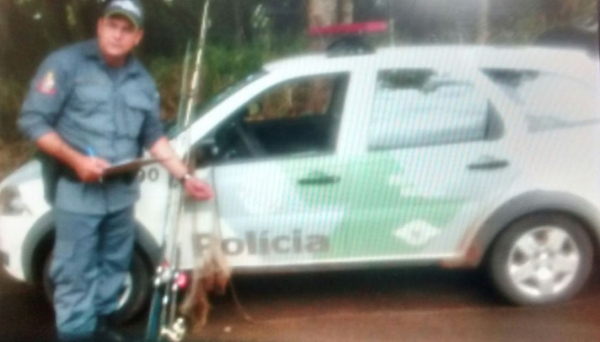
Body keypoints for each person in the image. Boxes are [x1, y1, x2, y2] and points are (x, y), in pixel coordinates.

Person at [18, 1, 212, 341]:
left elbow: (153, 137)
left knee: (114, 269)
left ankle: (104, 331)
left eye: (127, 29)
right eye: (112, 26)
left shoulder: (141, 81)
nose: (118, 35)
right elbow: (33, 121)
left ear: (137, 37)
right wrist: (76, 159)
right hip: (77, 192)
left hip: (122, 196)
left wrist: (185, 176)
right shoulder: (65, 65)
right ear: (100, 26)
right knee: (75, 275)